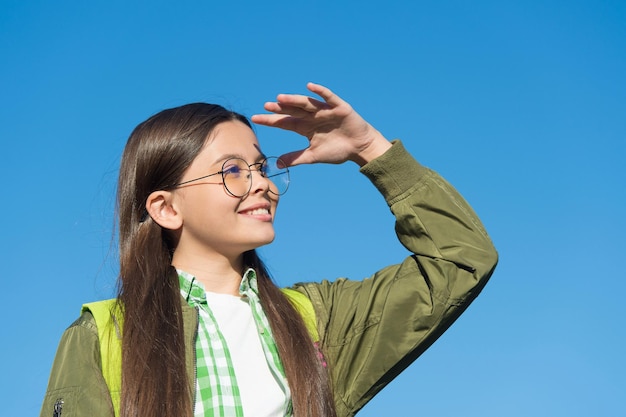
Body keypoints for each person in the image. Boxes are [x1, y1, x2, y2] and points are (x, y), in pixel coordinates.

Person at [40, 83, 498, 417]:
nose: (262, 184)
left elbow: (460, 259)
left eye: (260, 168)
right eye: (233, 171)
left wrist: (370, 149)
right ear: (166, 208)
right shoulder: (100, 336)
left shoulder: (320, 319)